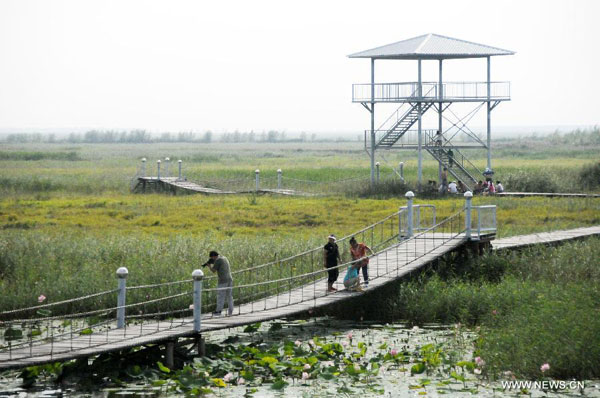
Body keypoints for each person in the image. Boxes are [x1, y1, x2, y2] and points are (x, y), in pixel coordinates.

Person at [203, 251, 234, 316]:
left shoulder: (218, 260)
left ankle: (218, 311)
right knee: (229, 296)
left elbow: (213, 270)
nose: (212, 259)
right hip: (230, 279)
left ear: (214, 256)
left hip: (223, 281)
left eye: (212, 258)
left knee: (220, 296)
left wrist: (209, 266)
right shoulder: (224, 258)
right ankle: (230, 311)